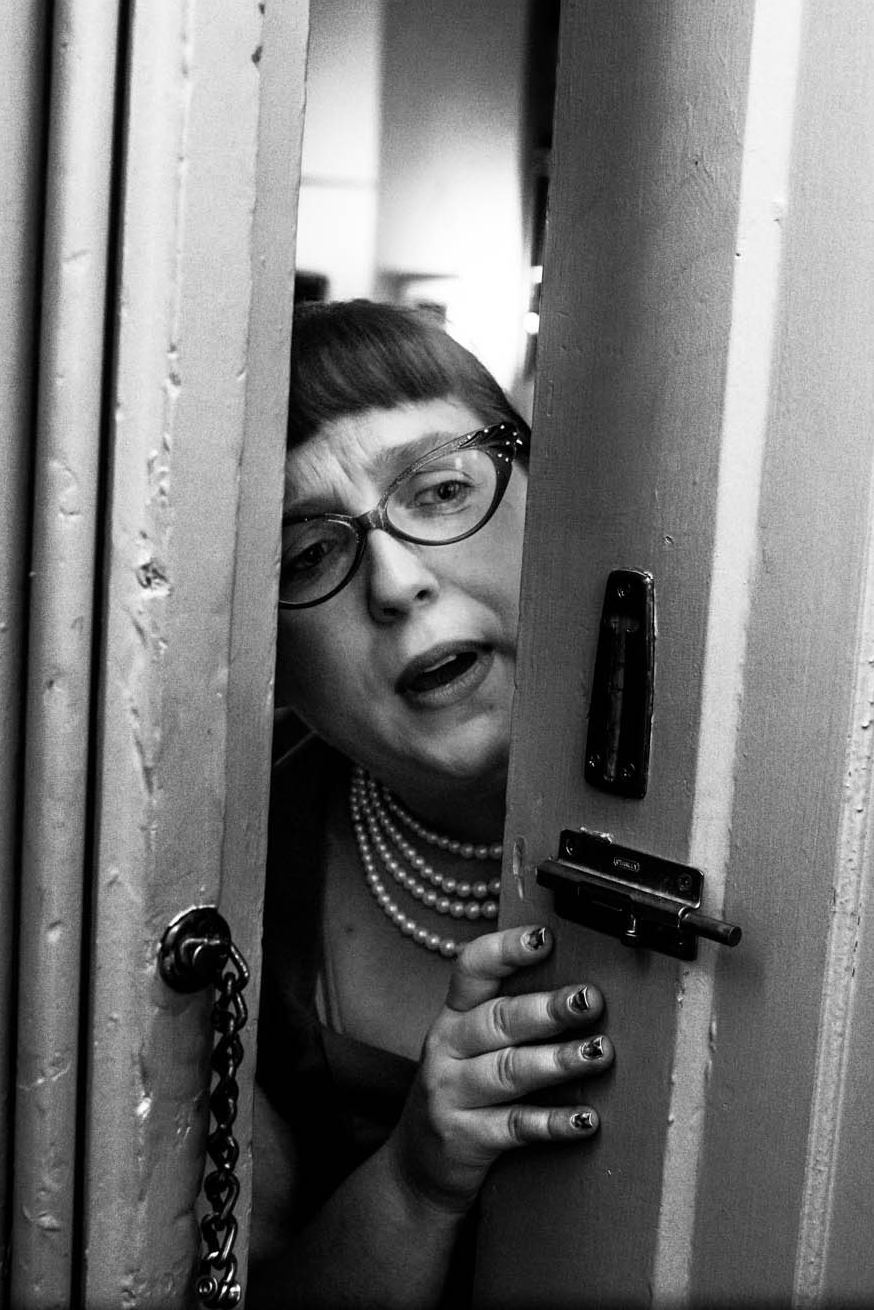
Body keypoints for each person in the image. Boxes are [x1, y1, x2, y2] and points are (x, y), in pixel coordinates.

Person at [251, 301, 612, 1305]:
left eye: (442, 491)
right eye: (307, 555)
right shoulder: (232, 877)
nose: (396, 580)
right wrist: (416, 1178)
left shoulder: (741, 778)